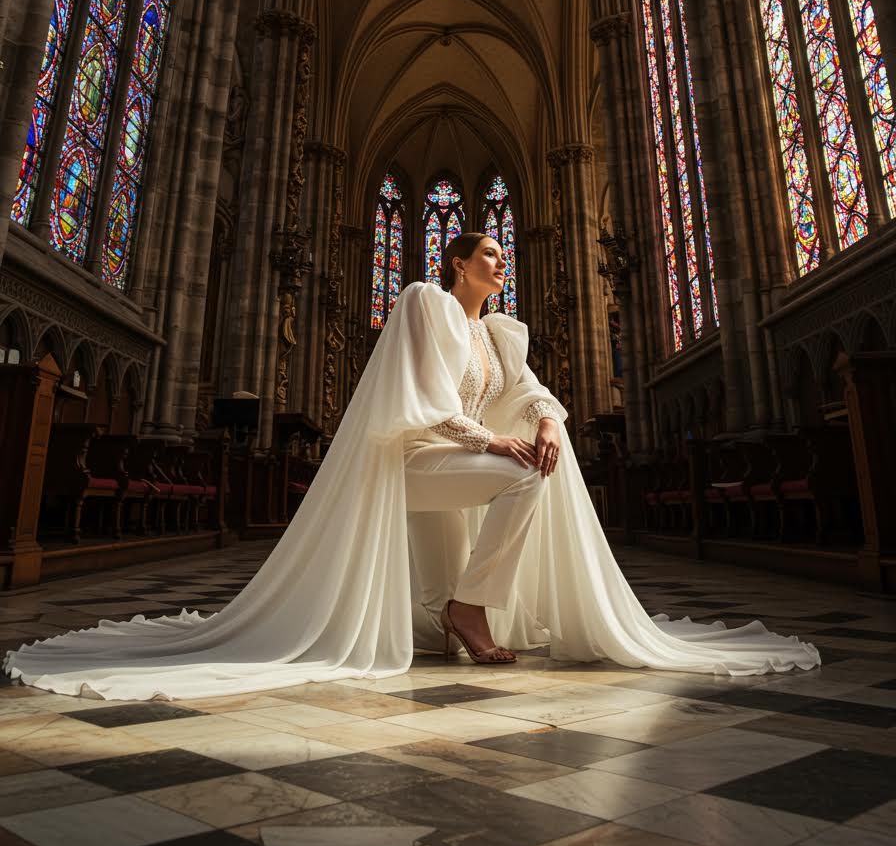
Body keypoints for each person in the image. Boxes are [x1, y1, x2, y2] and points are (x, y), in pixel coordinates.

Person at [3, 233, 819, 700]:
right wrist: (489, 439)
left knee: (545, 459)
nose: (502, 265)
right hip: (417, 464)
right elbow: (426, 402)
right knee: (519, 470)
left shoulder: (504, 333)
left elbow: (533, 390)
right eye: (491, 256)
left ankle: (465, 605)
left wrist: (544, 419)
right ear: (458, 265)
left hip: (461, 459)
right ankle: (468, 608)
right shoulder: (427, 304)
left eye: (503, 256)